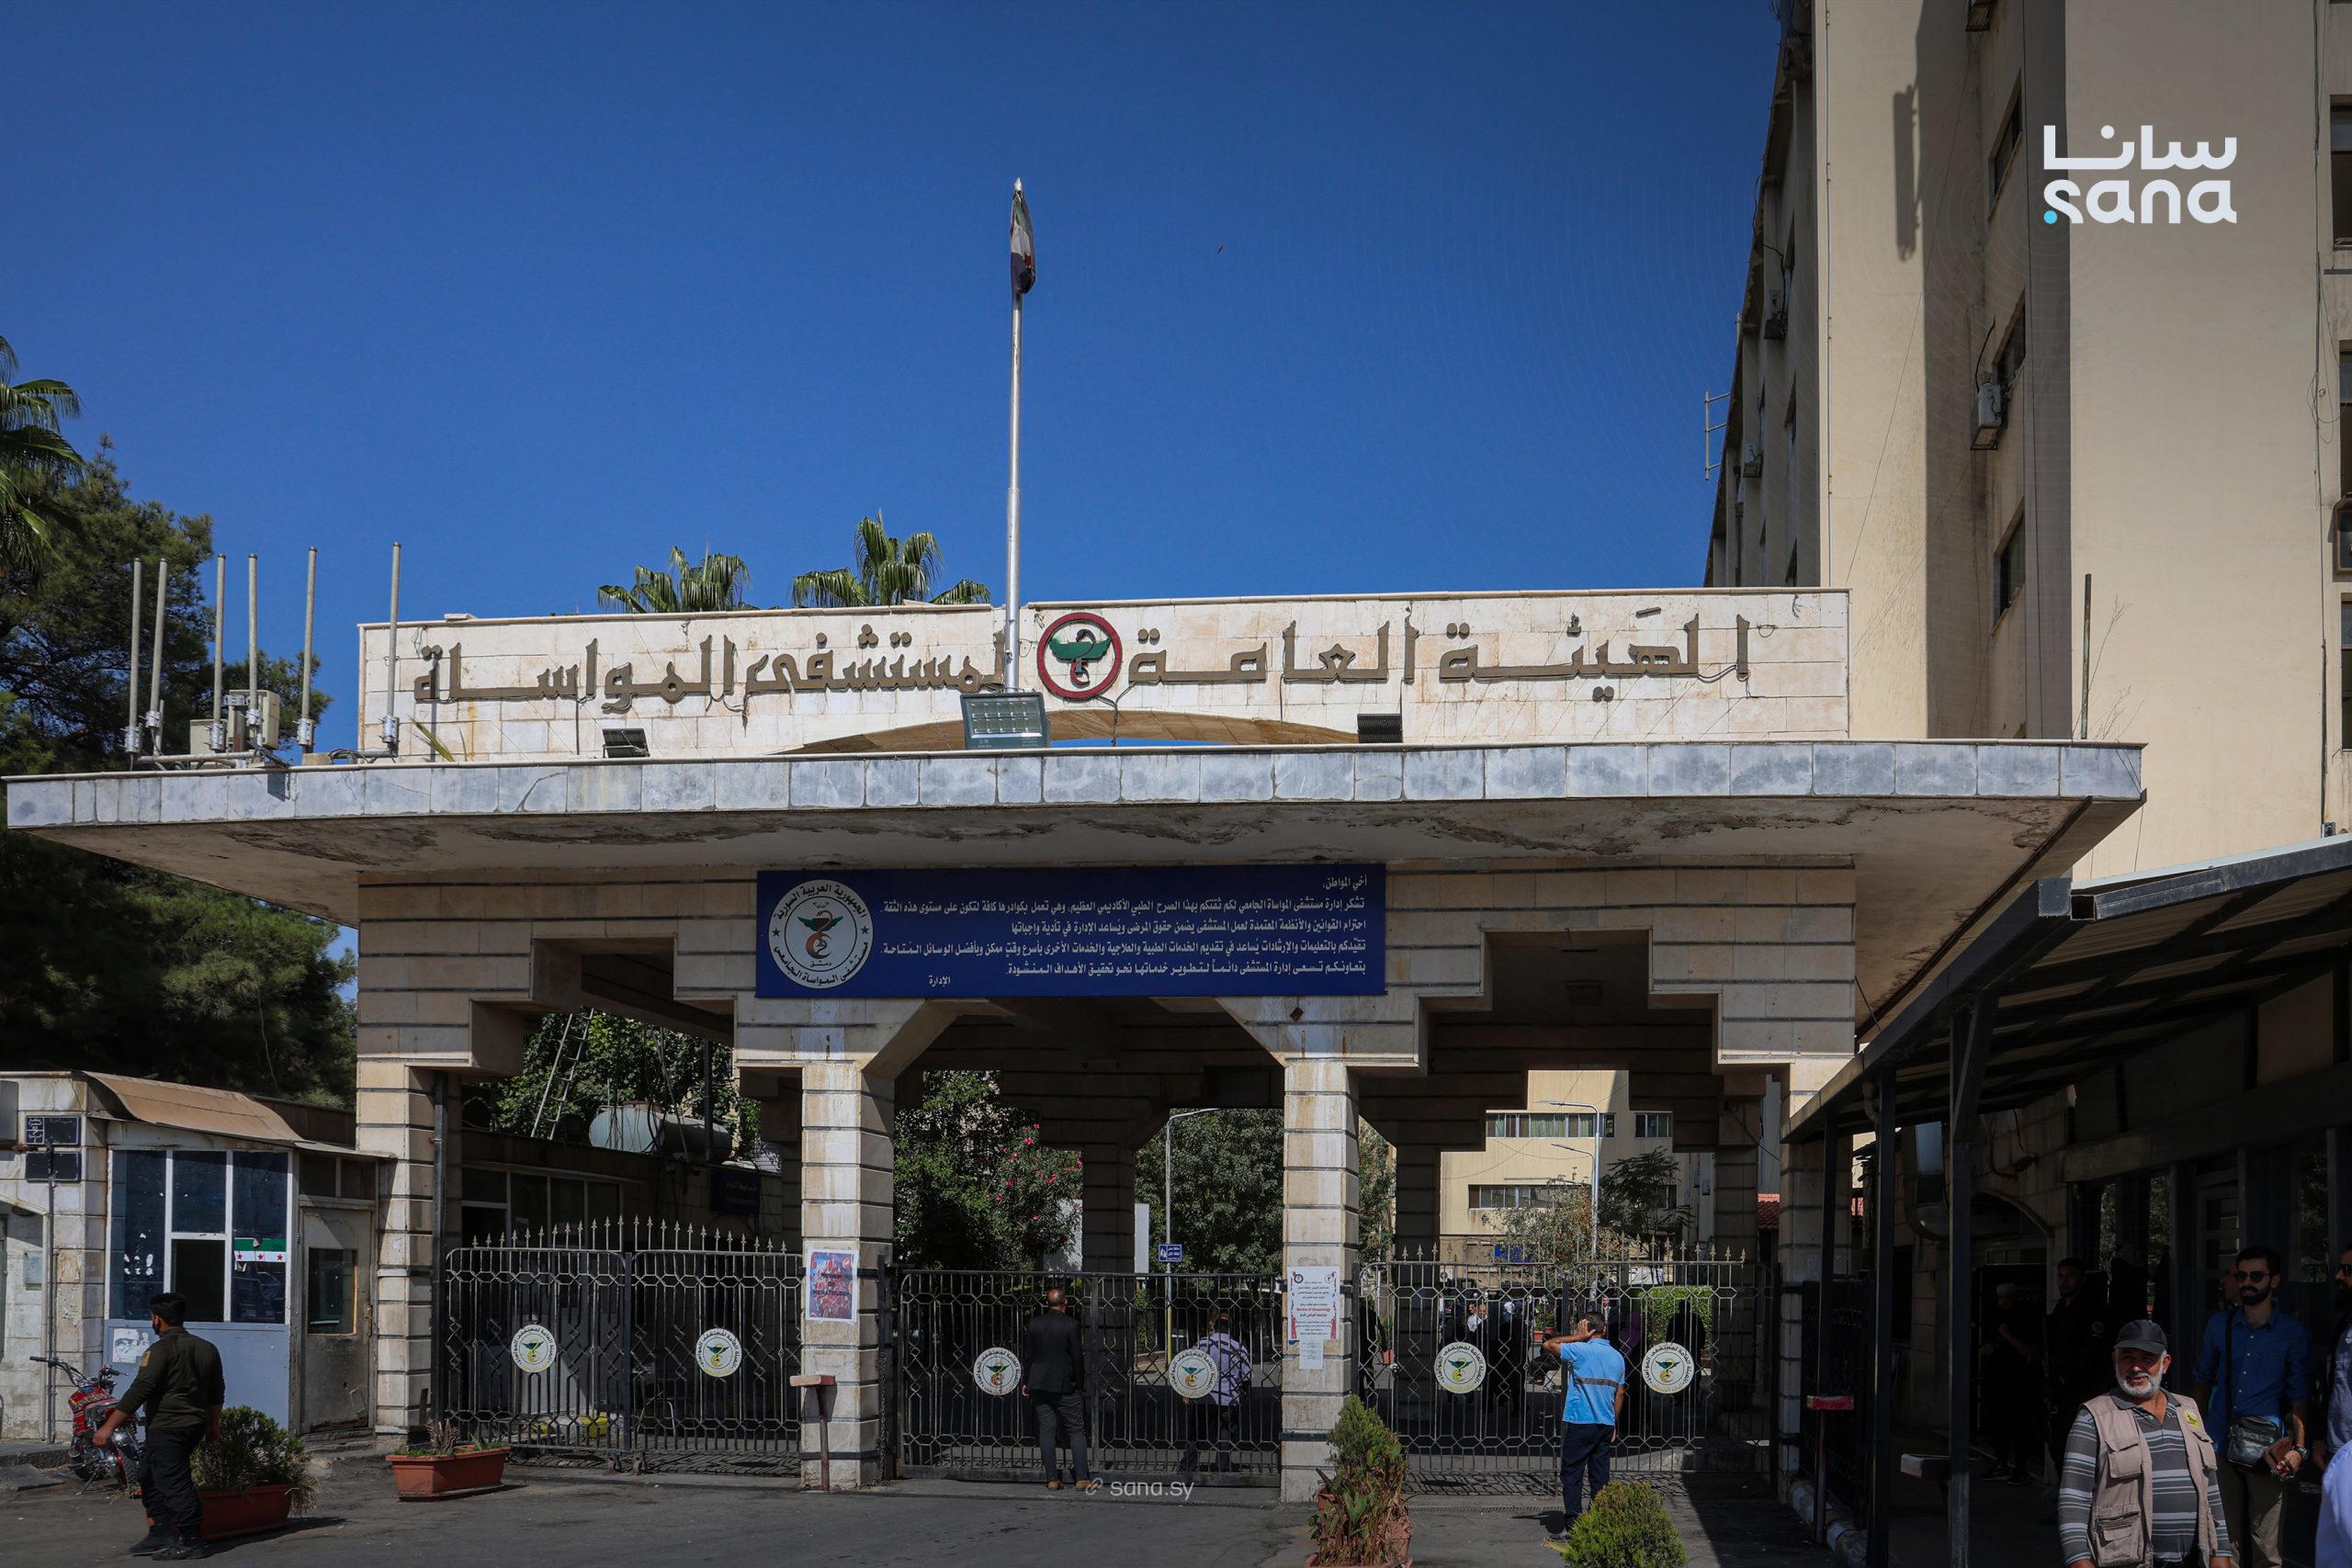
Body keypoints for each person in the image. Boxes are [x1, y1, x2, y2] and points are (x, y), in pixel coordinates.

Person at [2057, 1319, 2234, 1568]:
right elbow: (2073, 1498)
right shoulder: (2094, 1417)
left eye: (2147, 1358)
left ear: (2165, 1363)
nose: (2136, 1367)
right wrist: (2079, 1561)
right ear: (2115, 1360)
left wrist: (2221, 1552)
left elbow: (2211, 1490)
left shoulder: (2187, 1409)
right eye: (2127, 1357)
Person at [2191, 1246, 2312, 1568]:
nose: (2247, 1282)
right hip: (2219, 1441)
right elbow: (2202, 1379)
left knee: (2267, 1550)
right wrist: (2195, 1431)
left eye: (2256, 1276)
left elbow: (2300, 1395)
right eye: (2241, 1275)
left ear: (2274, 1281)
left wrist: (2299, 1449)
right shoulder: (2220, 1325)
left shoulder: (2292, 1333)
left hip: (2267, 1450)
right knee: (2220, 1545)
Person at [94, 1292, 224, 1562]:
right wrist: (213, 1425)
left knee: (173, 1481)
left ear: (156, 1319)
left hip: (169, 1426)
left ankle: (191, 1540)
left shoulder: (160, 1350)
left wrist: (108, 1427)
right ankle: (161, 1531)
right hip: (193, 1424)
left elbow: (140, 1389)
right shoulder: (206, 1348)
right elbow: (216, 1392)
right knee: (149, 1474)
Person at [1541, 1310, 1627, 1538]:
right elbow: (1620, 1393)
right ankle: (1597, 1520)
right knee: (1600, 1475)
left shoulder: (1580, 1350)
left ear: (1585, 1329)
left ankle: (1574, 1522)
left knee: (1572, 1472)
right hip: (1605, 1422)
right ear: (1604, 1329)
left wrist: (1577, 1337)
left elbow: (1548, 1345)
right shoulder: (1617, 1357)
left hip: (1581, 1420)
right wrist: (1614, 1421)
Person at [1018, 1286, 1096, 1494]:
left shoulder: (1034, 1323)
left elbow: (1029, 1355)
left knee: (1046, 1430)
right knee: (1076, 1430)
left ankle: (1052, 1479)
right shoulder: (1071, 1324)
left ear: (1047, 1303)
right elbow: (1077, 1357)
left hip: (1039, 1383)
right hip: (1064, 1385)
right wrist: (1080, 1383)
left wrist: (1026, 1381)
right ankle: (1082, 1478)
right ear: (1066, 1302)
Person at [2048, 1257, 2117, 1476]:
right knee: (2058, 1444)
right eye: (2060, 1276)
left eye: (2069, 1276)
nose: (2064, 1281)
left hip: (2084, 1390)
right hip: (2060, 1391)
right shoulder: (2060, 1309)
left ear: (2082, 1279)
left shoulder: (2091, 1311)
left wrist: (2066, 1379)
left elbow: (2091, 1354)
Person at [2312, 1245, 2352, 1568]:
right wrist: (2319, 1437)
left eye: (2348, 1270)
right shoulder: (2344, 1326)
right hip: (2339, 1455)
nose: (2339, 1276)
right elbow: (2334, 1388)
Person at [1982, 1280, 2042, 1483]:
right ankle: (2001, 1463)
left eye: (2008, 1297)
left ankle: (2020, 1467)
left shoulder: (2024, 1321)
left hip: (2019, 1383)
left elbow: (2030, 1353)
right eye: (2001, 1298)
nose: (2004, 1301)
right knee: (1998, 1426)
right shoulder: (1996, 1320)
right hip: (1997, 1381)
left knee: (2019, 1427)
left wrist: (2007, 1336)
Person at [1179, 1311, 1253, 1473]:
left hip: (1204, 1397)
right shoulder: (1238, 1348)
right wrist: (1243, 1392)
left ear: (1215, 1327)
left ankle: (1187, 1467)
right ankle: (1222, 1468)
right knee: (1224, 1435)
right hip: (1228, 1398)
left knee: (1196, 1434)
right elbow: (1246, 1376)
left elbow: (1190, 1367)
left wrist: (1187, 1391)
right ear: (1230, 1328)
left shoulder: (1202, 1344)